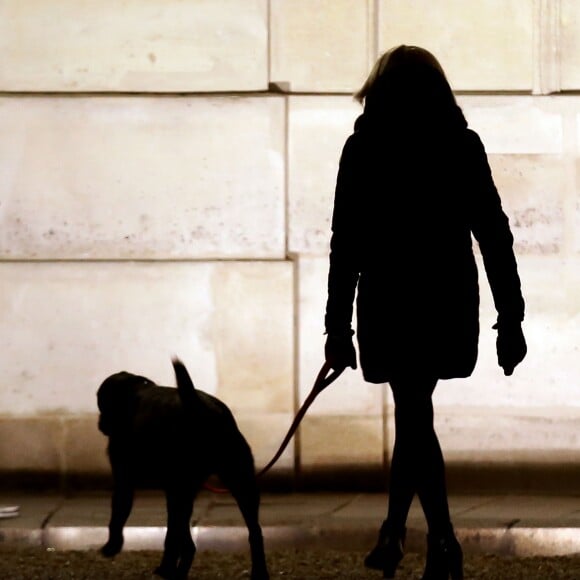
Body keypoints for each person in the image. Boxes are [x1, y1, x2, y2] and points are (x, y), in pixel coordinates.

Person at [323, 45, 527, 580]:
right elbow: (494, 235)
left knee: (413, 410)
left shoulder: (364, 149)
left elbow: (346, 245)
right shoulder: (459, 145)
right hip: (444, 296)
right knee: (415, 410)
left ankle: (437, 537)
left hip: (390, 297)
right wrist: (511, 317)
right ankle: (406, 534)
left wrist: (337, 327)